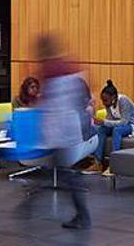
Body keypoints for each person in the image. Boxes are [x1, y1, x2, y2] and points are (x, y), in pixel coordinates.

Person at [36, 35, 96, 230]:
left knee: (65, 173)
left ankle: (82, 216)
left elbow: (49, 105)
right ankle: (81, 214)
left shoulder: (48, 70)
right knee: (63, 171)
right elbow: (82, 98)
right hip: (72, 127)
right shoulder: (71, 67)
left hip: (59, 130)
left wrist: (44, 130)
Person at [84, 80, 134, 175]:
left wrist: (104, 122)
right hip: (121, 124)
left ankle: (114, 165)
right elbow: (110, 119)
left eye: (105, 100)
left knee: (117, 131)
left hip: (133, 125)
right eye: (102, 100)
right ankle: (98, 163)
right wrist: (101, 124)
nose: (104, 103)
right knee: (101, 129)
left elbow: (124, 122)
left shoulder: (124, 101)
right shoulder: (109, 104)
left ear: (113, 97)